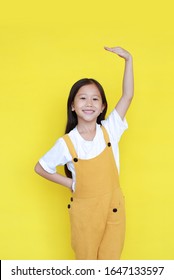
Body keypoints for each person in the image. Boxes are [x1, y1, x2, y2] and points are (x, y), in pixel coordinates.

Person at [34, 46, 134, 260]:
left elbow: (127, 95)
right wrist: (71, 184)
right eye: (82, 98)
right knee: (86, 263)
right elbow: (41, 168)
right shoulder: (67, 143)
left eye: (95, 99)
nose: (89, 104)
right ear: (72, 105)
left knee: (111, 262)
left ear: (102, 107)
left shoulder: (110, 130)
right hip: (85, 213)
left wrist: (128, 60)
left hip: (114, 208)